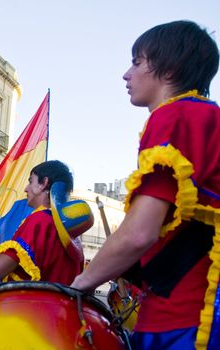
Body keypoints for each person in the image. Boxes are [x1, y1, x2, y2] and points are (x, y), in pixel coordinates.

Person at [71, 21, 220, 350]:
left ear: (170, 69)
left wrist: (78, 284)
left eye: (137, 62)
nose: (127, 74)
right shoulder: (205, 118)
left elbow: (140, 233)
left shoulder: (175, 115)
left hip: (183, 322)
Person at [0, 161, 92, 288]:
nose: (26, 188)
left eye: (31, 181)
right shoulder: (75, 240)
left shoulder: (40, 220)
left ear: (44, 183)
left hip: (34, 306)